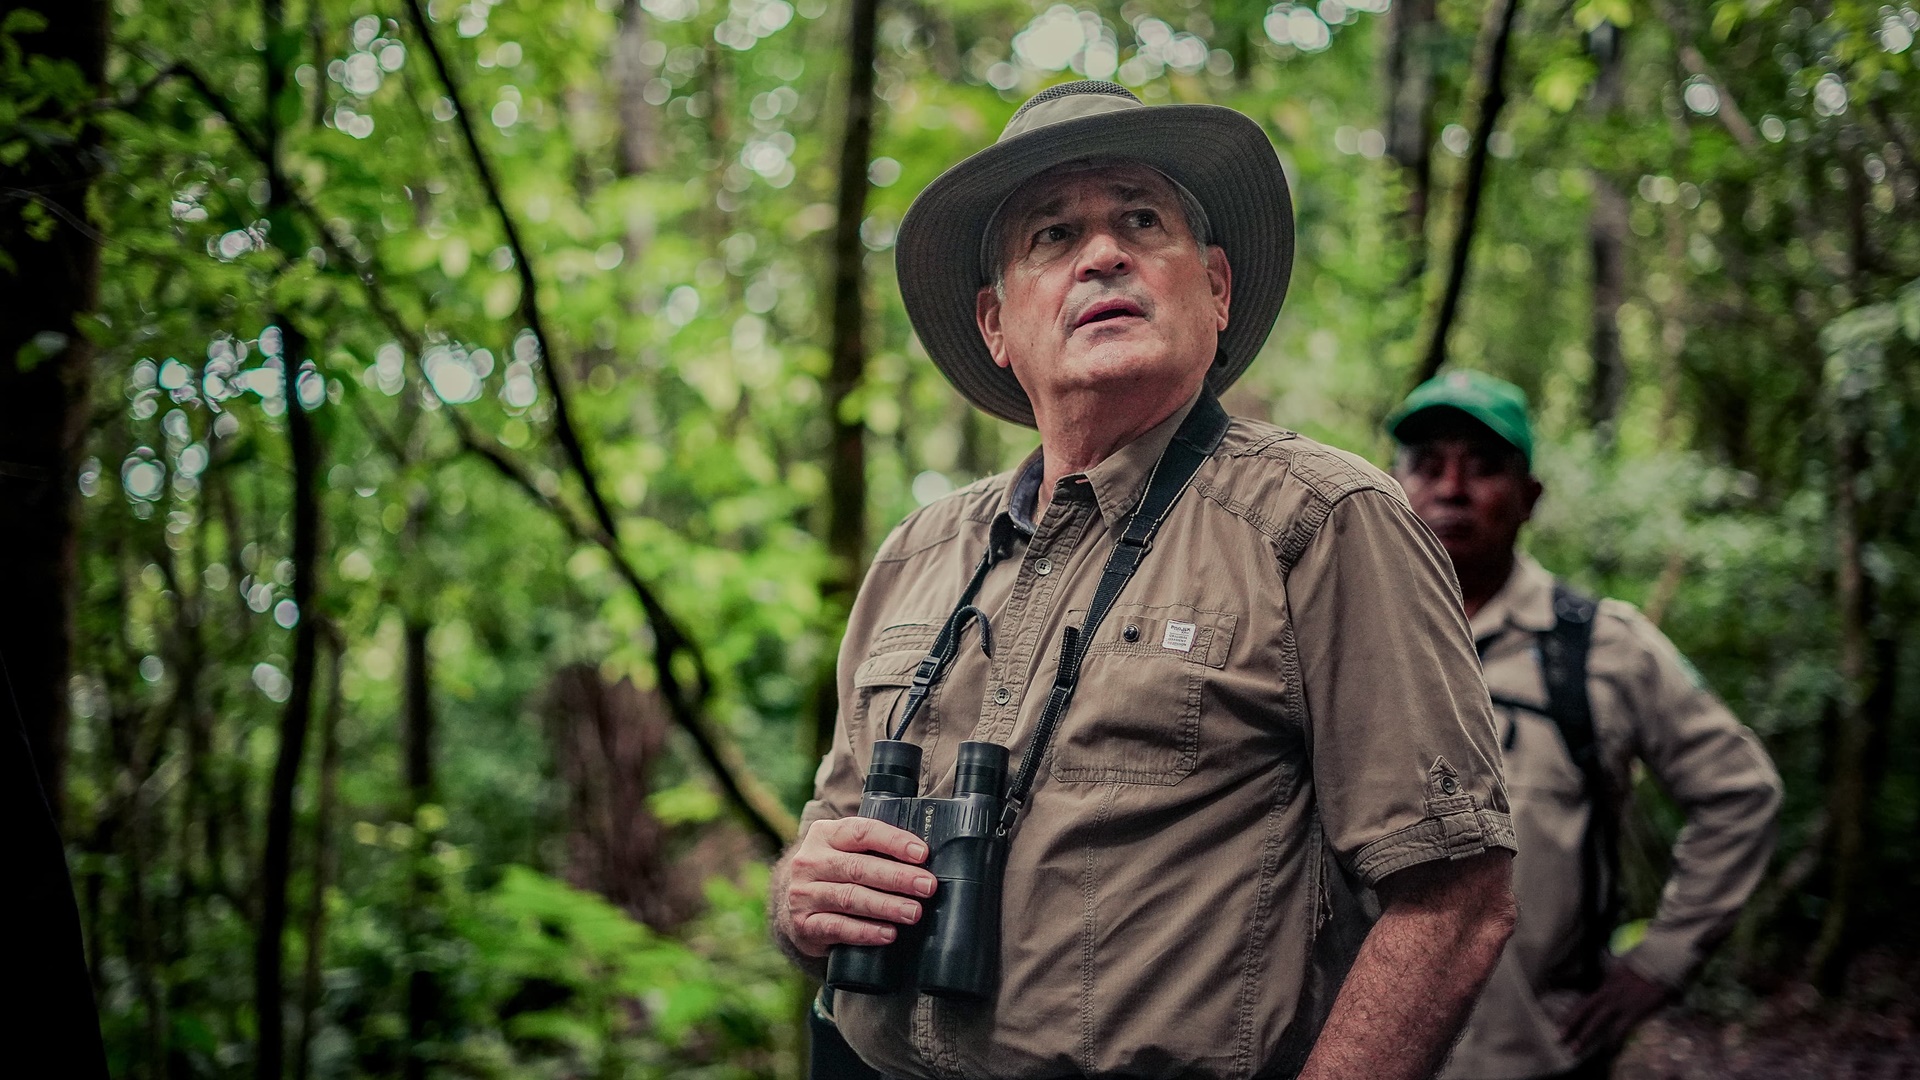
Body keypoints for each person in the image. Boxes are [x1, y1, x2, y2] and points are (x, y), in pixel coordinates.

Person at [771, 80, 1518, 1080]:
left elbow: (1457, 902)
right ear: (996, 325)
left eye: (1140, 221)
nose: (1102, 255)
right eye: (1051, 235)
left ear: (1215, 287)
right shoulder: (919, 554)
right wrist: (800, 896)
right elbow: (827, 836)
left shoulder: (1320, 521)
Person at [1386, 371, 1783, 1080]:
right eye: (1427, 464)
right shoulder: (1341, 633)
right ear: (1393, 485)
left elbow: (1741, 794)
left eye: (1482, 467)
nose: (1451, 489)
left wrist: (1661, 963)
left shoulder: (1604, 648)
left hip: (1532, 1055)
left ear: (1529, 496)